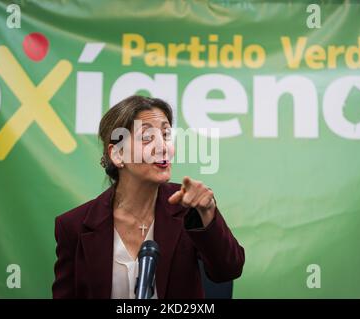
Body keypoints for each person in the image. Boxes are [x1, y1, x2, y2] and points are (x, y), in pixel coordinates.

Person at [52, 95, 245, 298]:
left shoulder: (189, 207)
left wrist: (207, 212)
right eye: (147, 137)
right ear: (117, 154)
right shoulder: (73, 226)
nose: (163, 147)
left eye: (166, 134)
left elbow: (228, 270)